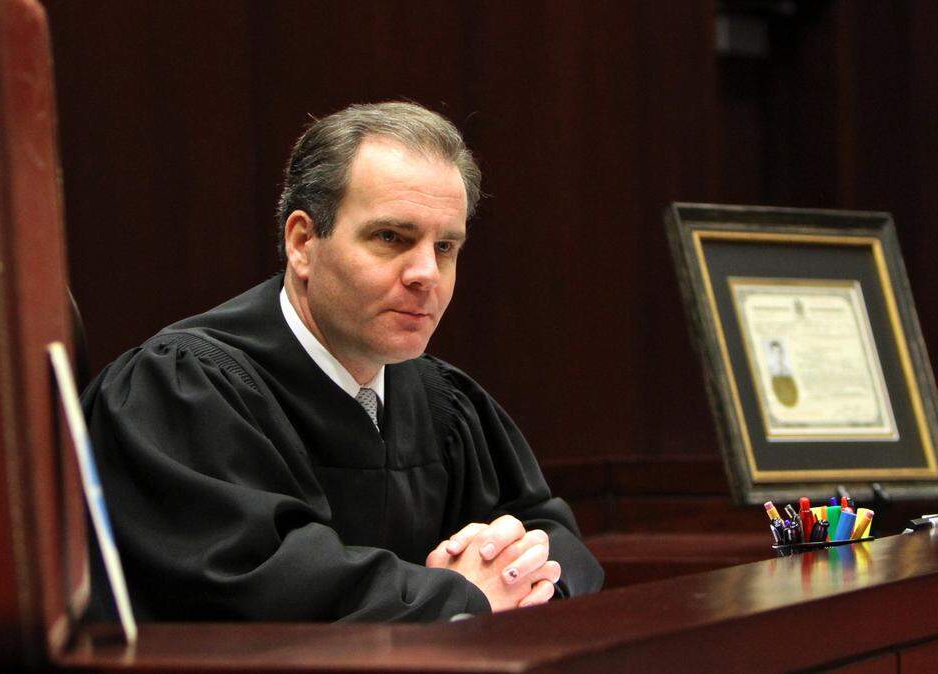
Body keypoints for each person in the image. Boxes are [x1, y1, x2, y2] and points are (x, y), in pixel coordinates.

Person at [82, 101, 603, 622]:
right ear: (302, 243)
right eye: (391, 238)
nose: (426, 273)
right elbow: (257, 588)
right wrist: (459, 596)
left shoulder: (442, 404)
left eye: (445, 246)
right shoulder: (183, 388)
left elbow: (555, 540)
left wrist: (524, 576)